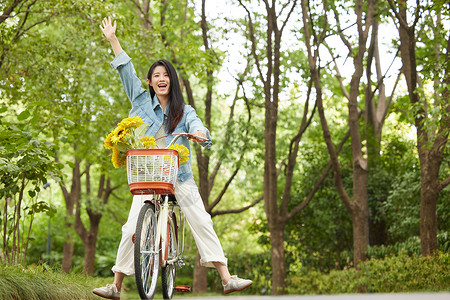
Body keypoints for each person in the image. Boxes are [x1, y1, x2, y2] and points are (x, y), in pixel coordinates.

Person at [93, 16, 253, 300]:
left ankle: (227, 279)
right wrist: (112, 40)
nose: (160, 79)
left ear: (171, 80)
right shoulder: (140, 102)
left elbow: (198, 126)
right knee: (131, 227)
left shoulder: (185, 110)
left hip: (178, 175)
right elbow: (126, 71)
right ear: (151, 82)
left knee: (201, 220)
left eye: (165, 75)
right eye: (155, 75)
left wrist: (200, 134)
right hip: (149, 176)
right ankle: (116, 286)